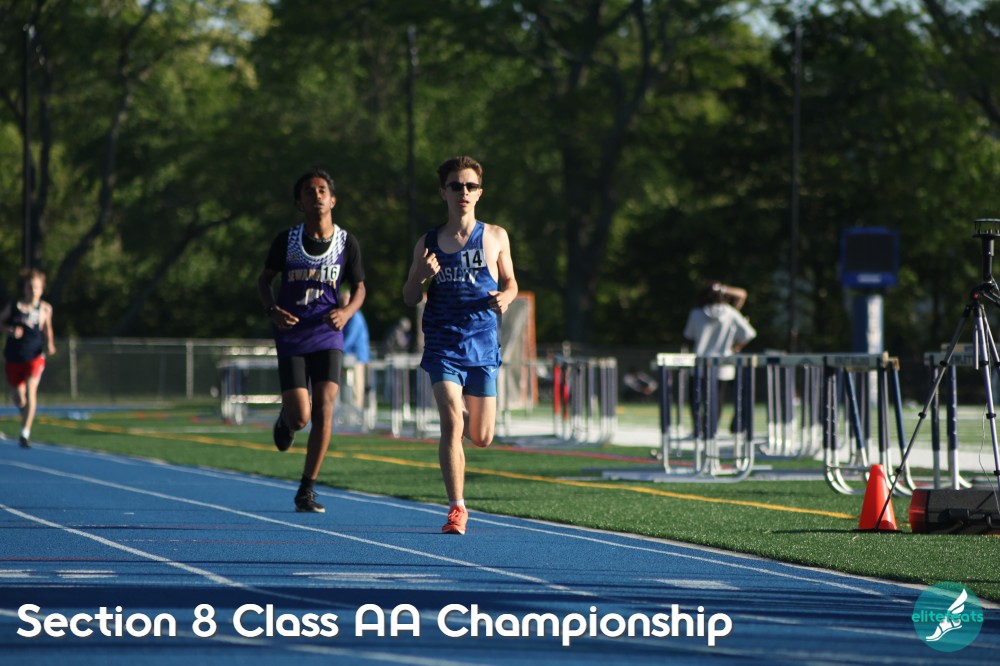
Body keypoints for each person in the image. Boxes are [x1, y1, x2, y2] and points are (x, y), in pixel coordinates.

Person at [402, 155, 518, 535]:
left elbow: (511, 282)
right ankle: (457, 508)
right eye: (456, 186)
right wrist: (420, 276)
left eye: (470, 186)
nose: (463, 192)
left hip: (482, 344)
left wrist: (507, 297)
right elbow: (409, 297)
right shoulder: (428, 242)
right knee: (452, 421)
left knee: (481, 437)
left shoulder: (496, 236)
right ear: (444, 192)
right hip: (443, 344)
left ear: (480, 192)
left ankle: (467, 423)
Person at [257, 168, 366, 513]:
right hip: (291, 333)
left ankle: (307, 488)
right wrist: (272, 310)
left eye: (322, 190)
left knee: (325, 406)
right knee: (301, 416)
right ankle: (286, 419)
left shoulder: (347, 242)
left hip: (327, 333)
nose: (316, 195)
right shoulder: (286, 240)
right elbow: (264, 280)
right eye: (309, 191)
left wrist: (346, 313)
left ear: (332, 200)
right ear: (299, 203)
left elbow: (360, 288)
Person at [683, 281, 756, 435]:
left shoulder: (696, 313)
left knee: (696, 398)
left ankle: (698, 428)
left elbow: (689, 335)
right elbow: (749, 333)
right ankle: (711, 430)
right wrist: (735, 347)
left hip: (700, 362)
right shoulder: (731, 312)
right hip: (723, 364)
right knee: (717, 399)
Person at [1, 268, 57, 449]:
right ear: (24, 288)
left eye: (36, 287)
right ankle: (25, 413)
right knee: (19, 397)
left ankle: (24, 433)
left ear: (42, 289)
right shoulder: (14, 306)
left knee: (31, 390)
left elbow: (48, 329)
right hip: (14, 357)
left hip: (34, 356)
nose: (32, 291)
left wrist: (50, 344)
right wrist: (9, 329)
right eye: (29, 287)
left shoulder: (45, 308)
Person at [340, 290, 370, 413]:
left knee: (357, 386)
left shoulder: (355, 317)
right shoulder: (347, 316)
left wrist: (335, 348)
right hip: (348, 356)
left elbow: (349, 339)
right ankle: (346, 411)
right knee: (347, 386)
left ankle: (357, 413)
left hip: (357, 358)